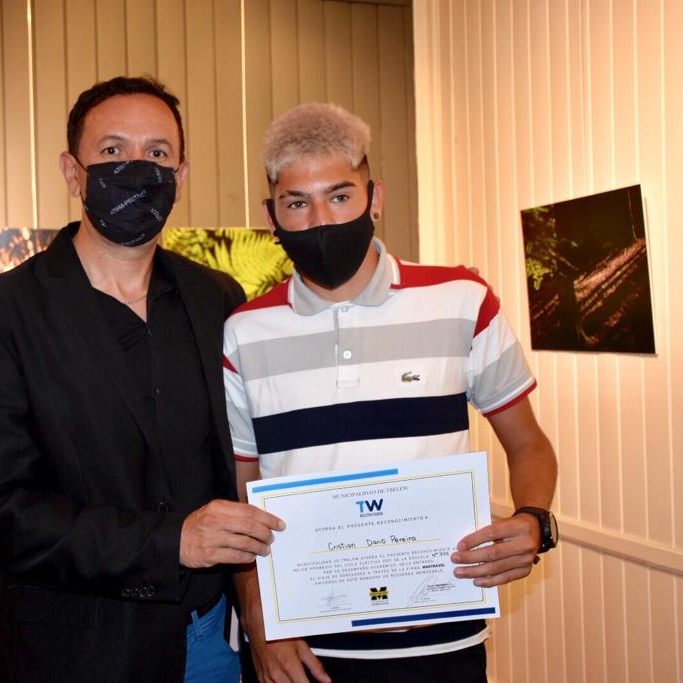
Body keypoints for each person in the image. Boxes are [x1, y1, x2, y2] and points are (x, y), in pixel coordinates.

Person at [0, 76, 284, 683]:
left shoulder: (216, 299)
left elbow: (240, 461)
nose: (136, 168)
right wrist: (171, 541)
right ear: (72, 173)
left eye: (157, 153)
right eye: (112, 151)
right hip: (77, 656)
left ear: (180, 175)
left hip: (215, 641)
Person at [224, 103, 558, 683]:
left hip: (444, 642)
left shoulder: (463, 300)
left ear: (374, 198)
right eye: (297, 203)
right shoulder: (244, 331)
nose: (320, 220)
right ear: (270, 215)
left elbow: (529, 445)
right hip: (300, 648)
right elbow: (238, 491)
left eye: (340, 195)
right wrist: (258, 615)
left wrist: (534, 520)